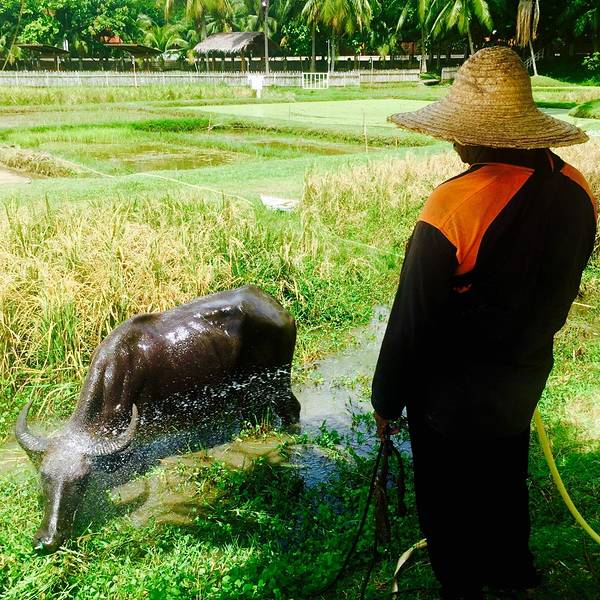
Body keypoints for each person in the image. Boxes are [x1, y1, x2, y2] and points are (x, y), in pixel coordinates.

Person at [371, 46, 597, 600]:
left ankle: (462, 583)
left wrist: (386, 400)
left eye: (457, 132)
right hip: (524, 372)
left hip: (450, 392)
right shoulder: (578, 190)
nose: (453, 143)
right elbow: (562, 284)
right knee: (503, 472)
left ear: (475, 137)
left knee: (447, 496)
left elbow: (411, 321)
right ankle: (512, 571)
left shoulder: (454, 204)